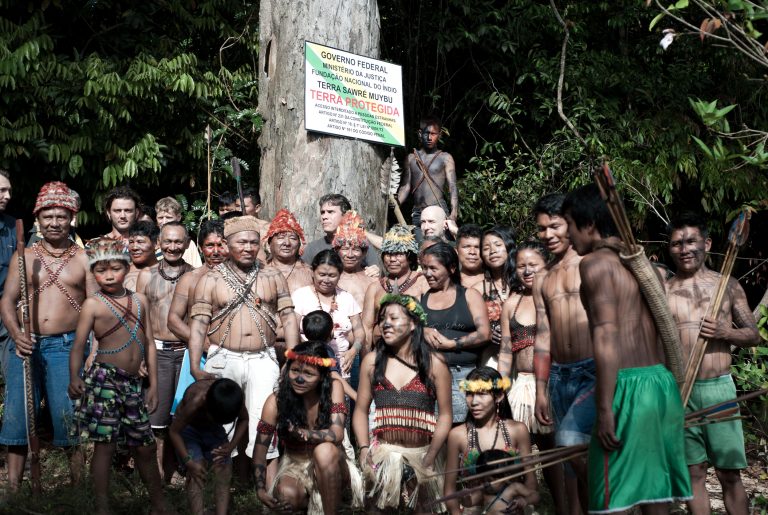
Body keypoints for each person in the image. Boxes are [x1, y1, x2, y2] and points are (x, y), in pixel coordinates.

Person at [563, 184, 692, 513]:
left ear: (589, 225)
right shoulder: (642, 265)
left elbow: (606, 336)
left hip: (628, 388)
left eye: (569, 225)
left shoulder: (594, 265)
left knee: (611, 500)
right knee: (654, 497)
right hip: (660, 387)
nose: (568, 236)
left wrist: (605, 410)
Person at [0, 181, 94, 491]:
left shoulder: (85, 258)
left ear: (72, 218)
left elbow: (95, 306)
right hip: (25, 347)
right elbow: (6, 301)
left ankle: (78, 488)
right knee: (18, 419)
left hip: (67, 347)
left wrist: (91, 353)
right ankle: (14, 489)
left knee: (68, 419)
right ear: (38, 219)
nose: (54, 223)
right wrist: (17, 334)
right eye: (47, 217)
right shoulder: (24, 256)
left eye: (61, 217)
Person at [665, 212, 759, 515]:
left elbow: (753, 335)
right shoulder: (663, 291)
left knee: (729, 473)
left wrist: (725, 332)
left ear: (706, 243)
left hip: (718, 389)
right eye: (677, 243)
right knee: (693, 473)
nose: (684, 249)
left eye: (691, 241)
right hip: (680, 392)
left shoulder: (726, 285)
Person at [188, 215, 300, 465]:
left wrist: (292, 360)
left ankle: (263, 485)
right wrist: (195, 366)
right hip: (224, 357)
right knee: (222, 423)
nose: (248, 248)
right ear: (227, 245)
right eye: (241, 242)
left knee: (266, 420)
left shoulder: (272, 277)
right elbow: (198, 325)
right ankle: (223, 487)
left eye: (253, 242)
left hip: (263, 358)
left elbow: (290, 319)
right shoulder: (210, 279)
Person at [67, 237, 168, 515]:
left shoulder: (140, 300)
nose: (108, 275)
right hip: (104, 380)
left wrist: (154, 386)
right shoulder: (92, 305)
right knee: (105, 446)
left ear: (126, 268)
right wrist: (74, 377)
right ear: (93, 272)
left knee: (145, 446)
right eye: (100, 270)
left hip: (134, 382)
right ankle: (102, 506)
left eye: (115, 268)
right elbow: (78, 346)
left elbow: (149, 343)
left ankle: (159, 504)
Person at [352, 294, 453, 513]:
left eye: (394, 318)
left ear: (413, 324)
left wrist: (431, 456)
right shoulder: (372, 361)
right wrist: (363, 448)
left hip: (423, 454)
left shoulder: (434, 364)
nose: (386, 324)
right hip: (383, 454)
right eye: (383, 319)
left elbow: (445, 415)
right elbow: (360, 411)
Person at [531, 193, 595, 513]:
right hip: (559, 375)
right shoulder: (543, 277)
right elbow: (543, 334)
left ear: (570, 225)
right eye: (542, 229)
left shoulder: (591, 263)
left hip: (593, 370)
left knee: (579, 447)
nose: (548, 235)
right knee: (570, 463)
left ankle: (610, 500)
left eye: (555, 226)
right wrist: (541, 388)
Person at [254, 341, 363, 514]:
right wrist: (260, 490)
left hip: (332, 463)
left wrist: (305, 433)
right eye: (295, 370)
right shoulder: (275, 402)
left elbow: (337, 434)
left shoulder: (334, 388)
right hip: (294, 464)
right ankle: (305, 503)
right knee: (286, 495)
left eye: (308, 373)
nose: (299, 378)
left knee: (324, 451)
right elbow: (260, 450)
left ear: (321, 376)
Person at [498, 240, 566, 514]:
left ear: (546, 265)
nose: (527, 271)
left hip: (551, 384)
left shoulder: (555, 298)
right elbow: (505, 349)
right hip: (520, 384)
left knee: (554, 454)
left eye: (533, 265)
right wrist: (500, 386)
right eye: (521, 266)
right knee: (517, 452)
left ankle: (565, 506)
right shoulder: (512, 303)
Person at [136, 221, 194, 481]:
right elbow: (137, 317)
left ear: (187, 243)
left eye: (178, 242)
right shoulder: (147, 275)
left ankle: (181, 470)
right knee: (156, 417)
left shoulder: (196, 275)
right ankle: (156, 475)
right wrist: (139, 355)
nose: (172, 247)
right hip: (156, 352)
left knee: (182, 416)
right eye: (167, 241)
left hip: (186, 353)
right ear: (159, 243)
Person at [444, 367, 538, 515]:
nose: (474, 401)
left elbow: (530, 480)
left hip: (510, 507)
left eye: (482, 394)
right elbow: (449, 490)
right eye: (469, 394)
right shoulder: (457, 435)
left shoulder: (518, 430)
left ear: (499, 396)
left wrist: (523, 501)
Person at [421, 242, 490, 423]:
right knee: (431, 428)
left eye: (433, 268)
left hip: (462, 375)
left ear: (451, 268)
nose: (427, 273)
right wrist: (422, 330)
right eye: (425, 268)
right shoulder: (422, 298)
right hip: (428, 376)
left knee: (462, 429)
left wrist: (453, 344)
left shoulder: (469, 295)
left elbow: (484, 333)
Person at [167, 219, 229, 413]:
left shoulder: (243, 277)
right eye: (210, 245)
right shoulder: (191, 279)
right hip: (198, 356)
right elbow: (174, 320)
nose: (216, 251)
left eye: (221, 245)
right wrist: (203, 344)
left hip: (234, 354)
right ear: (201, 248)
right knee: (192, 413)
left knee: (229, 410)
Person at [169, 378, 247, 515]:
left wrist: (231, 446)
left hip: (213, 431)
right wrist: (189, 462)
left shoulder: (234, 399)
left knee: (223, 464)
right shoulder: (197, 400)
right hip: (187, 429)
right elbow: (174, 431)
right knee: (197, 469)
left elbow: (244, 419)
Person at [292, 250, 364, 381]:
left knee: (340, 400)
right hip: (309, 364)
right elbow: (292, 330)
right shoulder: (301, 296)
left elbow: (359, 332)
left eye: (332, 275)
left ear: (340, 275)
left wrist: (353, 351)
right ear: (313, 272)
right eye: (322, 274)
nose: (326, 280)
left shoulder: (346, 298)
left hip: (342, 367)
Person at [362, 224, 428, 349]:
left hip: (415, 352)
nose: (392, 259)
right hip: (381, 354)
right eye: (388, 254)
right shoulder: (375, 288)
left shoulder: (423, 282)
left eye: (398, 254)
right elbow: (367, 328)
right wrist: (367, 360)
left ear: (410, 257)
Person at [398, 115, 459, 239]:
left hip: (438, 210)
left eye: (433, 134)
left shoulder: (445, 158)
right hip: (418, 213)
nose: (430, 137)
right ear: (420, 134)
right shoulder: (411, 158)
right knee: (421, 248)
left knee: (441, 248)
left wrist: (454, 212)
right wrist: (395, 204)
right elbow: (406, 186)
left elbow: (452, 187)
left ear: (439, 135)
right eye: (426, 133)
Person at [302, 193, 378, 274]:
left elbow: (376, 274)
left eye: (330, 212)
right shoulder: (313, 248)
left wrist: (375, 271)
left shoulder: (362, 245)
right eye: (322, 212)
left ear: (345, 215)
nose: (324, 217)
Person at [473, 226, 516, 367]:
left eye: (498, 245)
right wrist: (488, 333)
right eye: (486, 248)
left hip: (525, 358)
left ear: (509, 247)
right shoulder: (477, 290)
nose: (492, 251)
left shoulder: (524, 284)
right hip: (491, 361)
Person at [471, 449, 540, 515]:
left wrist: (525, 501)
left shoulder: (514, 487)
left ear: (506, 477)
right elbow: (468, 503)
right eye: (482, 480)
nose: (486, 484)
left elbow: (536, 496)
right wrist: (465, 496)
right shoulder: (482, 492)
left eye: (490, 480)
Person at [333, 210, 377, 309]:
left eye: (356, 249)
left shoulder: (372, 279)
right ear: (336, 250)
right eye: (344, 249)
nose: (350, 255)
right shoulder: (329, 278)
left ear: (364, 253)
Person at [263, 208, 313, 293]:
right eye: (281, 237)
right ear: (269, 243)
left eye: (293, 238)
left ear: (299, 244)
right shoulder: (260, 270)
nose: (287, 243)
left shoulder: (310, 273)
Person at [155, 196, 203, 268]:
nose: (164, 222)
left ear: (178, 218)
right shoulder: (151, 242)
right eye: (160, 218)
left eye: (168, 217)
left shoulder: (188, 244)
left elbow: (196, 270)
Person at [0, 169, 16, 379]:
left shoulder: (14, 226)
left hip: (7, 314)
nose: (8, 196)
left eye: (9, 190)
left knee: (13, 374)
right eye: (2, 190)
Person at [125, 220, 160, 290]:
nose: (134, 247)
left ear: (156, 244)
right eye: (131, 242)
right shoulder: (121, 271)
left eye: (140, 242)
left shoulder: (167, 273)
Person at [456, 224, 484, 288]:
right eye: (466, 247)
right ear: (457, 250)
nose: (472, 252)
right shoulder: (449, 282)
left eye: (477, 247)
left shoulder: (495, 280)